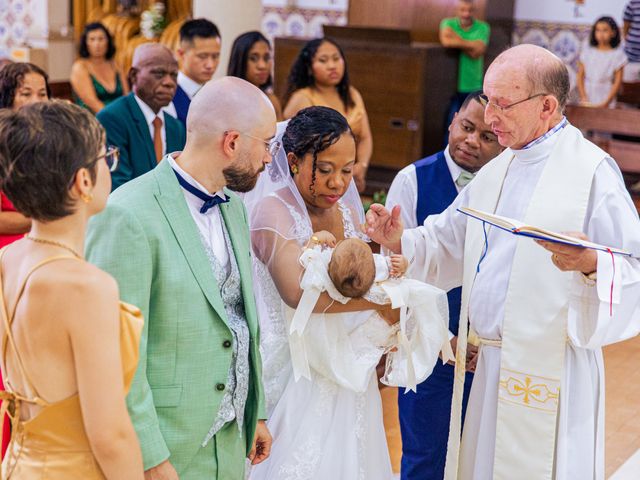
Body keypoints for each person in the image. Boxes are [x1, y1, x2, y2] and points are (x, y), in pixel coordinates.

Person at [366, 44, 640, 480]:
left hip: (553, 371)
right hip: (490, 366)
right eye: (487, 99)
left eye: (503, 103)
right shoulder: (500, 167)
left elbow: (632, 268)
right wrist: (399, 238)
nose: (490, 116)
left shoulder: (591, 172)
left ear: (547, 106)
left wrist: (590, 263)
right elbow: (449, 240)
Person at [246, 106, 451, 480]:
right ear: (293, 161)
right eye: (325, 170)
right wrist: (384, 299)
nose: (339, 183)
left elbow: (357, 276)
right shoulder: (270, 210)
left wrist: (386, 249)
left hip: (345, 364)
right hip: (292, 366)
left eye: (348, 170)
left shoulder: (344, 214)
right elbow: (296, 292)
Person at [86, 77, 275, 480]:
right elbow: (117, 354)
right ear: (232, 142)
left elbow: (239, 317)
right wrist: (150, 456)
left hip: (231, 436)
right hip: (169, 445)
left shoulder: (235, 209)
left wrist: (253, 410)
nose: (269, 158)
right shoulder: (127, 213)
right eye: (267, 143)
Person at [0, 100, 144, 478]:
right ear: (83, 181)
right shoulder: (86, 286)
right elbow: (110, 436)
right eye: (105, 157)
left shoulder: (8, 260)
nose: (109, 166)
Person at [385, 90, 503, 480]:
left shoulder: (505, 191)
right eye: (467, 127)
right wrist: (442, 337)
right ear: (452, 122)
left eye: (487, 136)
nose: (472, 140)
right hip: (427, 347)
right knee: (425, 455)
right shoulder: (413, 180)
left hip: (485, 351)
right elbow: (400, 272)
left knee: (477, 455)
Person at [283, 38, 372, 192]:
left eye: (336, 59)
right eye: (323, 60)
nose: (332, 66)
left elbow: (365, 137)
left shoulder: (352, 94)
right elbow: (293, 147)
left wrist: (361, 166)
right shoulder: (303, 98)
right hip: (317, 181)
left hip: (346, 174)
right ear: (309, 67)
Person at [97, 43, 186, 191]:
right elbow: (118, 185)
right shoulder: (112, 118)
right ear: (133, 75)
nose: (169, 83)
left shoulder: (176, 127)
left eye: (174, 75)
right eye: (159, 74)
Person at [0, 62, 51, 248]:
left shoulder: (52, 141)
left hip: (48, 240)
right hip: (9, 249)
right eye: (26, 94)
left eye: (42, 94)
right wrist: (48, 218)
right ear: (7, 99)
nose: (36, 101)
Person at [439, 0, 490, 133]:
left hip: (472, 85)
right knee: (450, 127)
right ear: (457, 10)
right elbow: (446, 42)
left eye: (469, 10)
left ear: (474, 11)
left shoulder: (483, 27)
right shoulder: (447, 23)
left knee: (471, 127)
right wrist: (470, 44)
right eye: (462, 10)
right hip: (450, 85)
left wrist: (456, 38)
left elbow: (478, 51)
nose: (466, 14)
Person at [168, 18, 221, 125]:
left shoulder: (218, 95)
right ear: (181, 54)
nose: (210, 65)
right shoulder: (168, 94)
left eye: (215, 56)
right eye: (202, 56)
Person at [70, 22, 129, 114]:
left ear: (108, 42)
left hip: (120, 118)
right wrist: (118, 121)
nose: (97, 44)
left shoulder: (115, 64)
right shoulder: (80, 67)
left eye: (101, 39)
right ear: (86, 43)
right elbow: (93, 103)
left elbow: (127, 97)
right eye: (92, 39)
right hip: (93, 122)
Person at [228, 31, 282, 120]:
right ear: (240, 61)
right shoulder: (228, 100)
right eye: (253, 58)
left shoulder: (271, 101)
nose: (262, 66)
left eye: (266, 58)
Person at [577, 16, 627, 108]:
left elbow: (617, 81)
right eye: (598, 30)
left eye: (605, 30)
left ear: (613, 33)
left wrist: (607, 102)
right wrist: (583, 96)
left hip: (606, 94)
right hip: (588, 92)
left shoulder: (617, 55)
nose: (601, 34)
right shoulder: (587, 52)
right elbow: (580, 76)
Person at [623, 0, 640, 82]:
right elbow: (626, 24)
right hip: (630, 56)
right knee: (628, 86)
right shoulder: (633, 4)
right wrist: (626, 39)